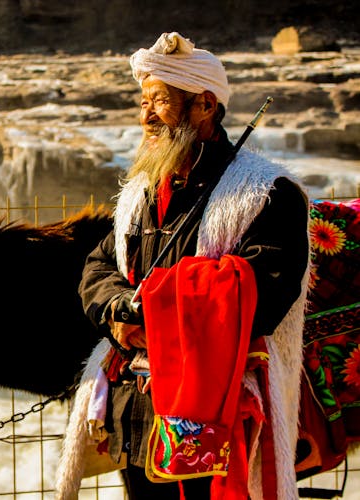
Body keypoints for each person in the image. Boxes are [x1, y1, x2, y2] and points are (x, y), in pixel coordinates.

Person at [78, 32, 310, 499]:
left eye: (160, 102)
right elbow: (99, 267)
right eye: (143, 102)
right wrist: (118, 313)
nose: (145, 116)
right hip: (138, 413)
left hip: (220, 417)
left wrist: (156, 314)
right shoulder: (141, 191)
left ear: (205, 105)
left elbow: (261, 295)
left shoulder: (267, 193)